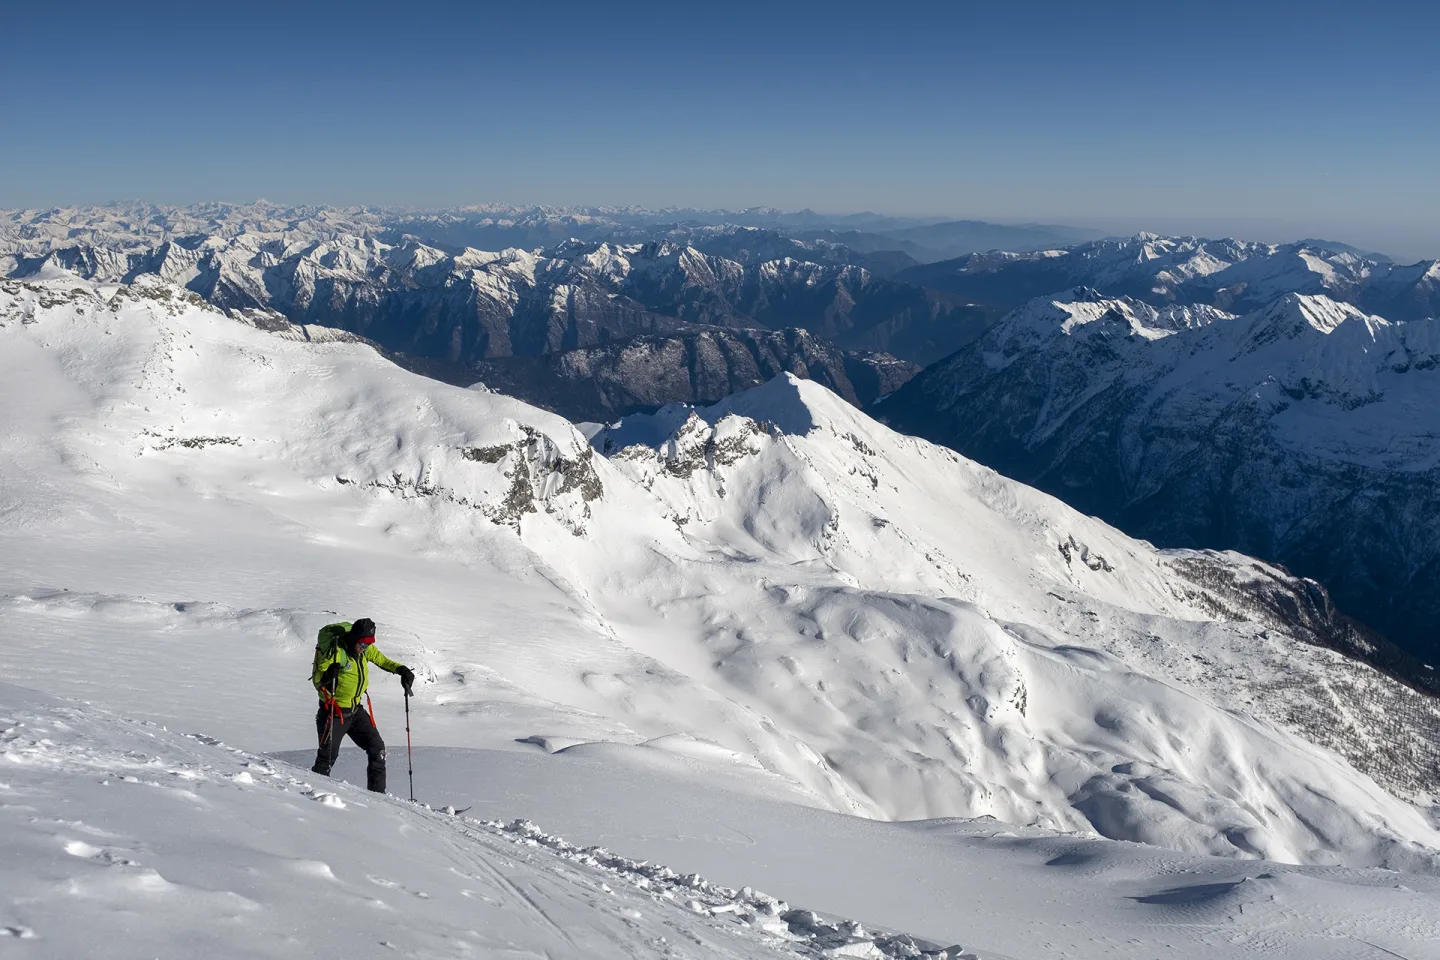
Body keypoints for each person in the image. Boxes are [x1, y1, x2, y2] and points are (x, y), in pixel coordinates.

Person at [310, 617, 415, 793]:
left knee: (377, 749)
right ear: (355, 638)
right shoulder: (337, 652)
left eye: (368, 644)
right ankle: (313, 798)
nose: (365, 648)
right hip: (334, 713)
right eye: (363, 644)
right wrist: (328, 675)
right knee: (326, 759)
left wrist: (401, 670)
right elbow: (317, 680)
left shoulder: (365, 650)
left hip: (356, 711)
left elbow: (383, 661)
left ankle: (378, 798)